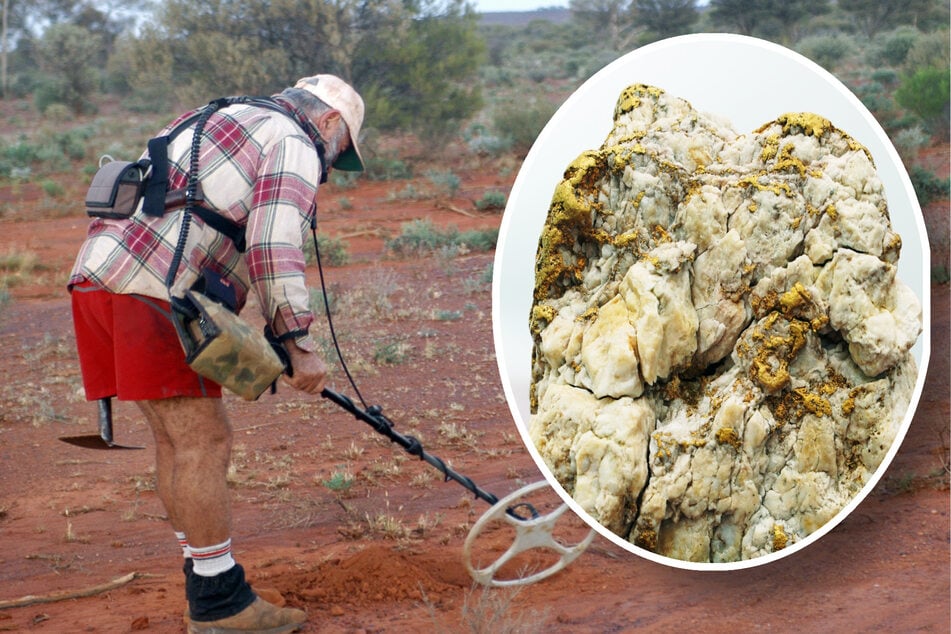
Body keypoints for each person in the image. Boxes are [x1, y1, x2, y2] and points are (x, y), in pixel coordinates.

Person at [68, 75, 365, 633]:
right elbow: (274, 246)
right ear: (328, 122)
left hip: (99, 277)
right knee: (205, 440)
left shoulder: (218, 113)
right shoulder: (293, 141)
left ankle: (205, 583)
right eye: (341, 149)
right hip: (152, 289)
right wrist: (298, 345)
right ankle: (222, 607)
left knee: (176, 440)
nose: (331, 165)